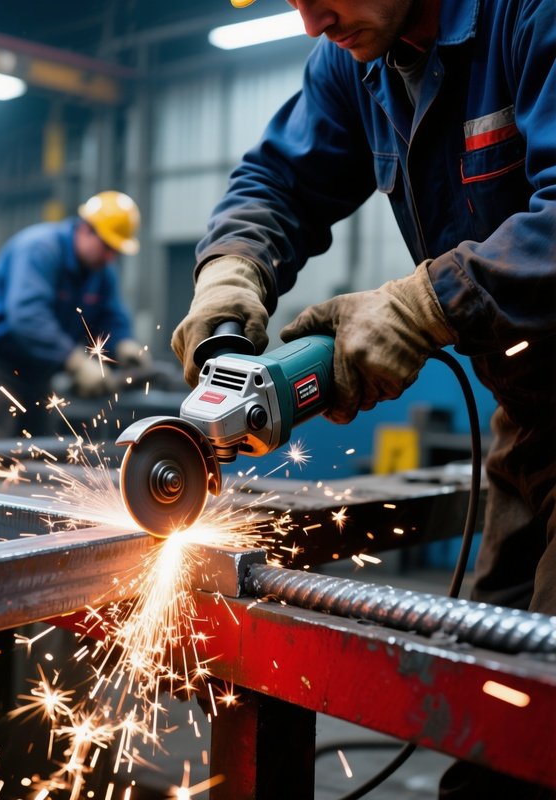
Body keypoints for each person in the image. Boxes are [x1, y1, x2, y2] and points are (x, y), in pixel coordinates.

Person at [172, 1, 555, 796]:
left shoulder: (529, 15)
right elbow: (278, 177)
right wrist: (231, 269)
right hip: (536, 410)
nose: (313, 21)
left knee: (545, 713)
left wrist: (425, 305)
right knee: (493, 691)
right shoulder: (357, 56)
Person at [0, 191, 150, 438]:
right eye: (107, 246)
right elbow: (27, 316)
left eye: (116, 251)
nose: (110, 256)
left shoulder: (101, 270)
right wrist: (74, 361)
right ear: (85, 229)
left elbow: (111, 317)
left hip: (37, 369)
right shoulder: (40, 249)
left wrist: (124, 344)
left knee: (38, 453)